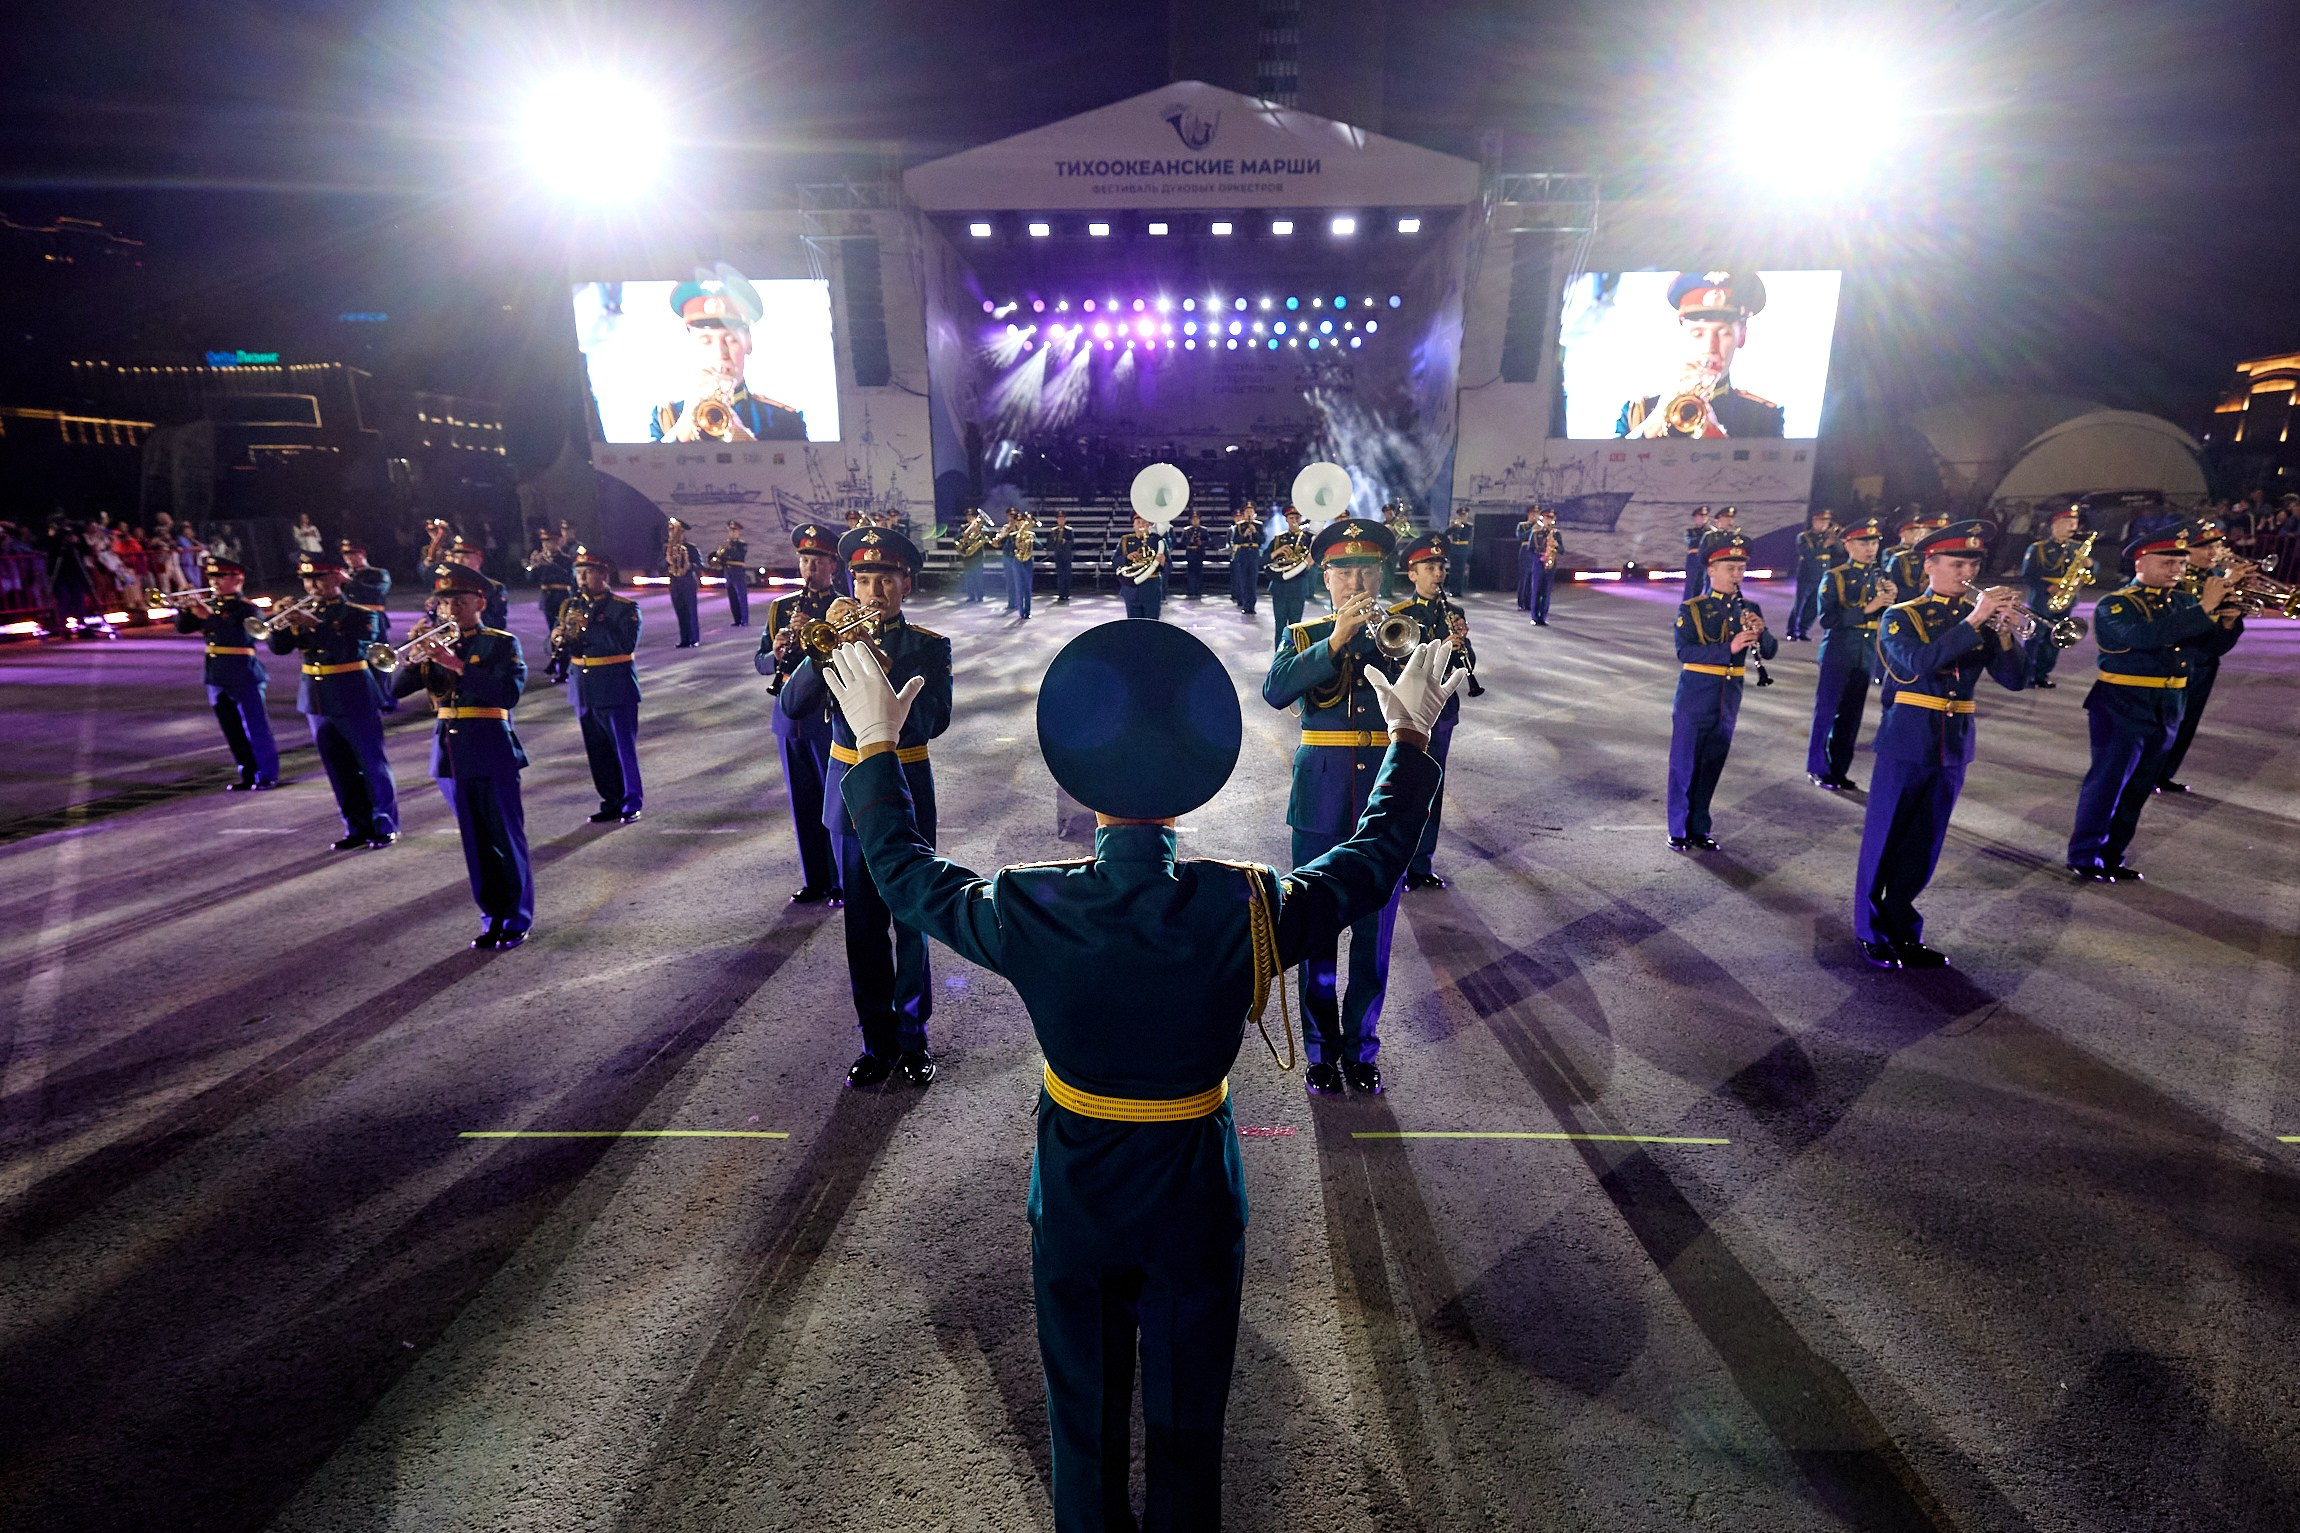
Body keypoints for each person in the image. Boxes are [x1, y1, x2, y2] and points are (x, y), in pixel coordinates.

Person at [825, 620, 1451, 1533]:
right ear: (1185, 792)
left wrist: (876, 748)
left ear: (1084, 789)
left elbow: (904, 874)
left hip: (1079, 1190)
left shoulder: (1034, 902)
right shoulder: (1242, 903)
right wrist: (1409, 745)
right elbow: (1367, 865)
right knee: (1188, 1422)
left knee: (1082, 1420)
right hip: (1194, 1192)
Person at [777, 525, 952, 1086]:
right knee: (863, 927)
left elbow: (933, 721)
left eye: (886, 579)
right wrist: (821, 648)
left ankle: (912, 1038)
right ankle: (875, 1041)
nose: (873, 591)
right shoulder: (835, 637)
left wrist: (880, 669)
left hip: (904, 784)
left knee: (911, 917)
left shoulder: (928, 645)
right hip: (848, 785)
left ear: (906, 584)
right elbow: (793, 703)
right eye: (864, 578)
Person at [1263, 517, 1416, 1095]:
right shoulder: (1302, 637)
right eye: (1343, 570)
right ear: (1324, 577)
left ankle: (1362, 1047)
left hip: (1383, 797)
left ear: (1382, 575)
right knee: (1317, 930)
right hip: (1321, 802)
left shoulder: (1406, 631)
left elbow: (1435, 708)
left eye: (1366, 570)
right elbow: (1276, 691)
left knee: (1375, 936)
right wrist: (1335, 642)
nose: (1355, 581)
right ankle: (1322, 1051)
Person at [1854, 523, 2027, 968]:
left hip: (1954, 743)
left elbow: (2015, 681)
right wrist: (1976, 618)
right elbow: (1918, 663)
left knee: (1923, 844)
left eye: (1973, 564)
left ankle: (1903, 927)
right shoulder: (1902, 616)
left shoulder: (1981, 622)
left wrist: (2007, 633)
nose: (1966, 572)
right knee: (1886, 837)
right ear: (1929, 566)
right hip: (1908, 737)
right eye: (1957, 564)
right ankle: (1870, 929)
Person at [2067, 526, 2241, 881]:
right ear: (2140, 562)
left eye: (2180, 562)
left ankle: (2113, 855)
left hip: (2170, 701)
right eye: (2167, 562)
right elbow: (2143, 637)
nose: (2177, 569)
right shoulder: (2116, 604)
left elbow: (2205, 651)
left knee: (2140, 786)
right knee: (2109, 782)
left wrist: (2227, 623)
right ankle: (2085, 855)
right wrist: (2205, 607)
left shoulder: (2182, 602)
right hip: (2123, 702)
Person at [394, 565, 534, 949]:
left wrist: (456, 665)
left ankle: (517, 918)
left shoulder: (500, 643)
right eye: (444, 602)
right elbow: (394, 690)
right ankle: (492, 917)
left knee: (505, 837)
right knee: (475, 842)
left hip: (491, 746)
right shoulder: (433, 644)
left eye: (459, 601)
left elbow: (506, 694)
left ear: (480, 603)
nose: (451, 609)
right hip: (450, 753)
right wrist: (416, 654)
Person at [266, 552, 398, 850]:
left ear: (339, 576)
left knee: (371, 763)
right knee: (338, 768)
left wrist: (317, 625)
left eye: (320, 577)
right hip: (316, 699)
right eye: (308, 579)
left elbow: (349, 651)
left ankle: (383, 825)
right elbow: (279, 648)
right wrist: (277, 623)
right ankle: (355, 826)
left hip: (353, 695)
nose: (313, 585)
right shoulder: (303, 611)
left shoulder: (360, 614)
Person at [1666, 533, 1777, 852]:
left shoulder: (1750, 608)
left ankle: (1699, 828)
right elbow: (1684, 652)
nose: (1737, 575)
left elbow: (1769, 651)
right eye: (1730, 568)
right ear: (1711, 569)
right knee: (1685, 764)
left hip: (1729, 697)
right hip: (1695, 696)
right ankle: (1678, 827)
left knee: (1712, 763)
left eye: (1741, 569)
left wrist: (1761, 632)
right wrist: (1727, 648)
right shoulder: (1693, 608)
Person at [757, 523, 848, 905]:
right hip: (787, 720)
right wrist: (775, 653)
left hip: (823, 716)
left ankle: (841, 881)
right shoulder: (781, 608)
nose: (809, 568)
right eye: (804, 560)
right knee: (802, 802)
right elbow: (760, 662)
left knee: (832, 805)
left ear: (833, 566)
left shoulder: (842, 609)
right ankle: (815, 880)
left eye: (817, 561)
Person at [1393, 534, 1478, 890]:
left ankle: (1422, 862)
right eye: (1430, 567)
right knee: (1402, 790)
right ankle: (1397, 865)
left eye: (1441, 567)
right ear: (1413, 574)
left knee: (1432, 787)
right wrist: (1441, 646)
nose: (1438, 574)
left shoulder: (1453, 612)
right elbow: (1396, 665)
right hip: (1410, 713)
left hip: (1442, 714)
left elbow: (1469, 662)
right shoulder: (1401, 616)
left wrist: (1462, 648)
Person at [1615, 271, 1785, 439]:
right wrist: (1656, 420)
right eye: (1697, 333)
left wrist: (1716, 438)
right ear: (1682, 336)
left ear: (1741, 336)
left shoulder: (1764, 418)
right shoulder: (1638, 412)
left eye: (1723, 333)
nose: (1710, 346)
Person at [649, 275, 807, 442]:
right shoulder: (668, 417)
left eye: (731, 339)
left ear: (749, 343)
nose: (719, 353)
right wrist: (684, 427)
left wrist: (742, 437)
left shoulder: (785, 420)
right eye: (706, 341)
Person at [2156, 518, 2247, 794]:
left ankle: (2164, 774)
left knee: (2186, 723)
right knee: (2162, 723)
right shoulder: (2172, 581)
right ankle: (2141, 773)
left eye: (2216, 546)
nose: (2212, 553)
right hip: (2173, 663)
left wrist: (2230, 623)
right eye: (2203, 547)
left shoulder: (2217, 580)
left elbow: (2220, 641)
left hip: (2204, 663)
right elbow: (2173, 627)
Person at [174, 559, 280, 791]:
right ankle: (248, 774)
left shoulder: (248, 608)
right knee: (232, 730)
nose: (215, 583)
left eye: (221, 577)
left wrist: (208, 616)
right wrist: (184, 607)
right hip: (216, 676)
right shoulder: (215, 605)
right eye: (212, 578)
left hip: (243, 674)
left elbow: (239, 638)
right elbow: (183, 627)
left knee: (255, 728)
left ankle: (267, 774)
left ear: (238, 579)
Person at [559, 548, 644, 825]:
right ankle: (610, 801)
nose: (581, 578)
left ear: (603, 575)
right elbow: (564, 647)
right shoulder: (571, 605)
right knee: (598, 752)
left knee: (622, 750)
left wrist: (591, 626)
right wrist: (556, 639)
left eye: (587, 573)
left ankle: (631, 802)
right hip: (583, 689)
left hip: (614, 687)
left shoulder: (624, 608)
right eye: (578, 573)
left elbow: (625, 645)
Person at [1806, 517, 1889, 791]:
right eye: (1863, 542)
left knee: (1852, 716)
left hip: (1865, 654)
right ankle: (1817, 767)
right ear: (1848, 544)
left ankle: (1839, 769)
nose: (1870, 547)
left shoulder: (1881, 577)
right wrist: (1868, 608)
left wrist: (1891, 602)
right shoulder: (1835, 576)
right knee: (1826, 713)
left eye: (1874, 541)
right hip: (1838, 653)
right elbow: (1827, 618)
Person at [2018, 505, 2087, 688]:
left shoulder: (2078, 548)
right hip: (2042, 600)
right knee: (2035, 639)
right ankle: (2026, 674)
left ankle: (2042, 674)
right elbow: (2027, 575)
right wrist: (2047, 586)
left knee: (2055, 640)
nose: (2073, 526)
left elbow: (2088, 572)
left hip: (2066, 600)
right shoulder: (2038, 548)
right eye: (2068, 522)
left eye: (2075, 522)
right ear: (2055, 525)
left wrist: (2089, 566)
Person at [425, 535, 509, 631]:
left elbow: (497, 623)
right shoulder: (446, 584)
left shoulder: (493, 588)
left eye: (465, 557)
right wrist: (433, 609)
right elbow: (438, 623)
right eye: (456, 557)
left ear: (479, 559)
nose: (459, 561)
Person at [1787, 508, 1841, 641]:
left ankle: (1804, 630)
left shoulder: (1828, 537)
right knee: (1799, 606)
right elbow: (1807, 554)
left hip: (1821, 577)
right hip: (1806, 576)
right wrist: (1824, 544)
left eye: (1827, 521)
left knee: (1813, 607)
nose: (1824, 524)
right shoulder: (1804, 537)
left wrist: (1836, 538)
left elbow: (1840, 550)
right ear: (1814, 521)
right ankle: (1792, 630)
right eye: (1821, 521)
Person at [1265, 505, 1314, 641]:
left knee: (1296, 626)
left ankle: (1293, 659)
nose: (1294, 521)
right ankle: (1279, 657)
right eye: (1291, 518)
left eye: (1297, 518)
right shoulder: (1278, 539)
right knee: (1280, 626)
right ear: (1286, 519)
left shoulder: (1307, 538)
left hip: (1298, 587)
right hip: (1280, 588)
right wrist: (1277, 552)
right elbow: (1262, 560)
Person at [1116, 514, 1167, 621]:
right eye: (1138, 523)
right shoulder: (1125, 540)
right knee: (1134, 624)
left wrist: (1162, 564)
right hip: (1131, 588)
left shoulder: (1157, 541)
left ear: (1149, 524)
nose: (1141, 525)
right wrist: (1127, 558)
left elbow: (1169, 567)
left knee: (1152, 624)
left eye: (1144, 522)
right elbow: (1114, 562)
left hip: (1151, 588)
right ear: (1133, 525)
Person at [664, 519, 702, 647]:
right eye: (671, 531)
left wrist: (688, 565)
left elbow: (699, 565)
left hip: (688, 582)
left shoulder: (690, 548)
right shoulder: (667, 549)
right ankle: (684, 639)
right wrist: (668, 561)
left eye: (676, 531)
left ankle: (693, 638)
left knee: (691, 611)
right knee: (680, 611)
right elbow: (660, 565)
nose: (673, 534)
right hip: (675, 583)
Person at [711, 520, 752, 629]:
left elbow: (738, 555)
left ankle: (744, 619)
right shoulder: (725, 544)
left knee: (741, 596)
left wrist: (729, 548)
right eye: (731, 531)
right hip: (728, 572)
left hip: (738, 570)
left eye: (734, 531)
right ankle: (737, 619)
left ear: (738, 532)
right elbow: (721, 557)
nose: (732, 533)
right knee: (732, 596)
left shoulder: (742, 545)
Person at [1524, 506, 1562, 625]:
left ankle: (1543, 616)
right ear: (1543, 519)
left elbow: (1562, 551)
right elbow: (1529, 550)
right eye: (1546, 518)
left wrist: (1556, 545)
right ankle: (1534, 617)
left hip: (1550, 566)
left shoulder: (1556, 534)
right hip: (1538, 564)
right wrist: (1539, 559)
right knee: (1536, 591)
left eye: (1551, 518)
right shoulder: (1536, 533)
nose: (1548, 521)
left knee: (1546, 592)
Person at [1227, 502, 1263, 614]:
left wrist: (1255, 532)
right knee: (1243, 579)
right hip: (1243, 553)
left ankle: (1252, 605)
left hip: (1254, 553)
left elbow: (1262, 540)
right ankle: (1244, 603)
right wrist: (1245, 534)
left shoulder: (1259, 525)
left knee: (1252, 580)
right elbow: (1236, 540)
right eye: (1247, 511)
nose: (1249, 514)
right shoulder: (1239, 526)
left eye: (1251, 511)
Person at [955, 508, 993, 603]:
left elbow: (988, 535)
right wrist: (966, 534)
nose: (970, 518)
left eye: (972, 517)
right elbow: (957, 538)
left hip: (978, 555)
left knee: (978, 576)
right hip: (967, 555)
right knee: (969, 577)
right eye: (968, 516)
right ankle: (970, 595)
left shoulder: (981, 528)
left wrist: (978, 530)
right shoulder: (963, 527)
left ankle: (980, 595)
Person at [1441, 505, 1474, 596]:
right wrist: (1453, 527)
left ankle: (1459, 591)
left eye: (1464, 515)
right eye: (1461, 515)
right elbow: (1445, 533)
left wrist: (1462, 526)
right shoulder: (1454, 526)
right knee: (1453, 570)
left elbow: (1467, 536)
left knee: (1460, 571)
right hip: (1454, 548)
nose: (1462, 517)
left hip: (1463, 549)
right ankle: (1452, 590)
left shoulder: (1468, 527)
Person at [1046, 509, 1077, 604]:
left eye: (1062, 519)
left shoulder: (1069, 530)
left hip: (1067, 555)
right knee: (1060, 575)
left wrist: (1066, 542)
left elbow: (1073, 542)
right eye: (1059, 519)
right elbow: (1049, 544)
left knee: (1067, 575)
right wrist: (1054, 540)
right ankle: (1061, 594)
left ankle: (1067, 593)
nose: (1061, 520)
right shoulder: (1053, 531)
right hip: (1058, 555)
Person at [1179, 510, 1208, 601]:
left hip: (1199, 552)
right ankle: (1191, 590)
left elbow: (1208, 541)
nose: (1195, 521)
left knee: (1199, 572)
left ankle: (1198, 590)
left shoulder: (1203, 530)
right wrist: (1190, 541)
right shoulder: (1187, 530)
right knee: (1190, 573)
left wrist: (1201, 542)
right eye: (1193, 519)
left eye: (1197, 519)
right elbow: (1182, 542)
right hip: (1190, 552)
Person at [1681, 505, 1712, 589]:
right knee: (1692, 586)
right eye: (1701, 516)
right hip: (1694, 559)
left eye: (1705, 516)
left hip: (1707, 560)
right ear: (1696, 518)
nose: (1703, 518)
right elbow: (1691, 541)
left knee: (1709, 584)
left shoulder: (1711, 532)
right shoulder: (1690, 532)